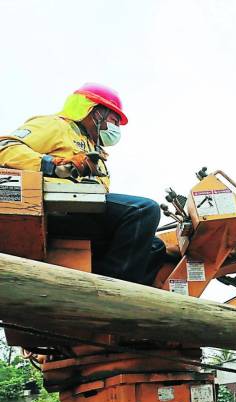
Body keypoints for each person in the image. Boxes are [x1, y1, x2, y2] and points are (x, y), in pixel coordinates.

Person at [0, 83, 166, 285]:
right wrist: (54, 164)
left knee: (155, 246)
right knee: (142, 211)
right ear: (96, 113)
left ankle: (100, 284)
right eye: (114, 120)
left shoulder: (92, 148)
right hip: (54, 211)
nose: (116, 128)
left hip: (82, 213)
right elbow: (5, 147)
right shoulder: (56, 125)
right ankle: (113, 290)